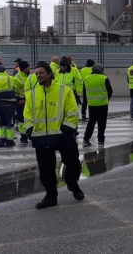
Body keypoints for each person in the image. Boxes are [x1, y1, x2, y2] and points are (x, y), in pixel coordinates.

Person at [23, 62, 83, 209]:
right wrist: (30, 130)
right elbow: (27, 114)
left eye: (41, 73)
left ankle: (73, 184)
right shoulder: (32, 94)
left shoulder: (64, 90)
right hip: (41, 137)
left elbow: (72, 112)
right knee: (45, 171)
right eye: (36, 73)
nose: (38, 75)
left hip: (63, 135)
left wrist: (66, 129)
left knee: (73, 164)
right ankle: (51, 196)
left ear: (50, 74)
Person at [83, 64, 112, 147]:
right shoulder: (104, 78)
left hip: (91, 104)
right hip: (102, 104)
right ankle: (100, 141)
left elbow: (85, 92)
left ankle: (86, 139)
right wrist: (106, 99)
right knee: (101, 123)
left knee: (91, 122)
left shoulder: (87, 78)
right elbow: (110, 91)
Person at [13, 61, 31, 143]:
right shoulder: (17, 78)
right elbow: (14, 91)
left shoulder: (31, 76)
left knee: (30, 118)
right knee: (21, 119)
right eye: (28, 67)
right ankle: (23, 136)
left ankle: (30, 134)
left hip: (30, 100)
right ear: (24, 69)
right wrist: (19, 100)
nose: (29, 68)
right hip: (21, 101)